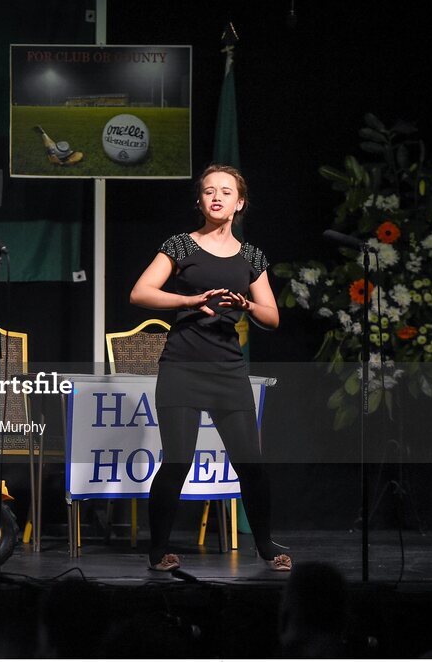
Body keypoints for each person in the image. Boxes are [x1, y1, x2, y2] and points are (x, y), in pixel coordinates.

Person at [130, 164, 291, 572]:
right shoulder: (181, 246)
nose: (216, 197)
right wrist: (188, 300)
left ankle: (265, 544)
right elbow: (141, 293)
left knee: (250, 464)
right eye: (208, 191)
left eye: (225, 191)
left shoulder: (252, 256)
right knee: (178, 461)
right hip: (182, 367)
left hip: (228, 371)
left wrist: (248, 306)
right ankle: (159, 550)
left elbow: (272, 317)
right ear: (200, 201)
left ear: (240, 203)